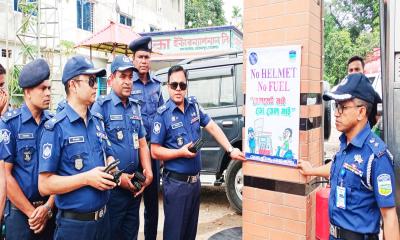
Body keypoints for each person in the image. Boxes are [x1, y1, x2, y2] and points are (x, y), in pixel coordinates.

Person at [298, 73, 399, 240]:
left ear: (361, 112)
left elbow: (389, 217)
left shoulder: (377, 156)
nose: (336, 113)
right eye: (336, 106)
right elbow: (339, 167)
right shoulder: (346, 144)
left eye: (342, 107)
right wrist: (312, 171)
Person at [151, 65, 246, 240]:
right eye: (174, 85)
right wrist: (179, 152)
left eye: (182, 85)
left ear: (187, 86)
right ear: (167, 86)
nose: (178, 89)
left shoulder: (194, 106)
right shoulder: (162, 115)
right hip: (176, 185)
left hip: (195, 184)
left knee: (189, 234)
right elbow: (155, 151)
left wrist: (230, 149)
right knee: (174, 235)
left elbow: (211, 126)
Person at [38, 55, 117, 240]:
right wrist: (87, 179)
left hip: (103, 221)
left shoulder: (97, 121)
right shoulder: (56, 127)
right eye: (90, 81)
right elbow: (44, 185)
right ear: (73, 85)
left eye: (96, 80)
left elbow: (109, 153)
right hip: (75, 227)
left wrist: (111, 167)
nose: (96, 86)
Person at [91, 55, 153, 240]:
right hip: (113, 190)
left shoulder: (135, 107)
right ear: (111, 79)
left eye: (130, 77)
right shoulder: (101, 107)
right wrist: (119, 178)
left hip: (134, 187)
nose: (127, 82)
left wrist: (148, 172)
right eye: (122, 76)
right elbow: (99, 149)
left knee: (130, 234)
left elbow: (142, 142)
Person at [0, 59, 55, 239]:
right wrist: (33, 213)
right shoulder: (9, 124)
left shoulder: (54, 124)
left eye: (49, 88)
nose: (48, 93)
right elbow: (6, 176)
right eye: (42, 88)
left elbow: (61, 169)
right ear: (28, 92)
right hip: (19, 215)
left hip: (49, 211)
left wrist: (47, 208)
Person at [129, 36, 164, 240]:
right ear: (133, 59)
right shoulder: (127, 83)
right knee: (132, 202)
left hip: (152, 152)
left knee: (152, 204)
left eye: (147, 57)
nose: (144, 61)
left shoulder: (157, 86)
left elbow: (161, 118)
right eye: (140, 57)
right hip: (133, 153)